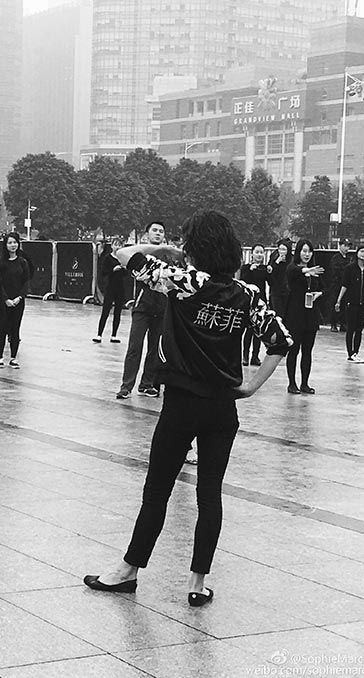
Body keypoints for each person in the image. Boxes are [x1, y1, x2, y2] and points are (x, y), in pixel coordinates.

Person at [83, 210, 292, 606]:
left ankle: (127, 571)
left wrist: (165, 247)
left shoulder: (184, 282)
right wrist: (248, 387)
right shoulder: (246, 294)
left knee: (157, 491)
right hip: (222, 410)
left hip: (181, 405)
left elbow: (124, 253)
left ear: (194, 248)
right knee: (209, 494)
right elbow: (281, 340)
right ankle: (197, 584)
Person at [116, 221, 166, 399]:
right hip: (142, 307)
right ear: (147, 234)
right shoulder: (138, 256)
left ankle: (147, 384)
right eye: (154, 230)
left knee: (155, 348)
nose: (158, 234)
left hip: (162, 309)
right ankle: (126, 386)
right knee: (135, 347)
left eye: (161, 231)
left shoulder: (169, 258)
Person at [284, 238, 324, 394]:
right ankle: (291, 383)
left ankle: (305, 383)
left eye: (309, 251)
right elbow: (292, 272)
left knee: (307, 351)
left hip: (311, 315)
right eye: (304, 251)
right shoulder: (293, 268)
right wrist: (305, 271)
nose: (307, 254)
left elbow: (324, 288)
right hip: (295, 315)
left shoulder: (315, 270)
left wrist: (318, 294)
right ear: (298, 252)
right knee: (293, 350)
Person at [335, 245, 364, 363]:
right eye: (361, 251)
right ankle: (350, 353)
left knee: (359, 329)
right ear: (357, 253)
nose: (363, 254)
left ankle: (356, 352)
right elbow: (344, 285)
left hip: (363, 303)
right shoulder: (350, 268)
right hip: (352, 302)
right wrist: (339, 300)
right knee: (350, 328)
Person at [0, 232, 30, 369]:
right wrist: (5, 299)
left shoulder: (23, 262)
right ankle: (0, 357)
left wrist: (19, 297)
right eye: (10, 243)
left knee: (15, 328)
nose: (13, 245)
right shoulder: (2, 263)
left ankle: (13, 358)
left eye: (15, 242)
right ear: (5, 245)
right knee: (2, 328)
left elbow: (26, 282)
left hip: (18, 301)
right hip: (3, 301)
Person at [93, 236, 127, 343]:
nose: (117, 247)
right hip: (110, 287)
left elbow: (127, 274)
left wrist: (124, 268)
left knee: (118, 312)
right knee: (106, 310)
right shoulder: (108, 258)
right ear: (112, 246)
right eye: (115, 244)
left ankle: (114, 335)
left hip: (120, 288)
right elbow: (103, 272)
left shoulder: (124, 259)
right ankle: (99, 334)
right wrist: (113, 269)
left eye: (119, 245)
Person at [240, 243, 269, 366]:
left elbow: (272, 282)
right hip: (249, 301)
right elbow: (242, 281)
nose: (259, 254)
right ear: (252, 254)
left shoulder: (265, 268)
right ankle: (245, 355)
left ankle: (255, 356)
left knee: (259, 330)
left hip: (261, 302)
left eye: (261, 252)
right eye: (257, 252)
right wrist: (250, 270)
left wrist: (271, 271)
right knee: (249, 330)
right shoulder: (246, 268)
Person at [329, 237, 351, 332]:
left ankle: (343, 323)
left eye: (348, 246)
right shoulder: (335, 258)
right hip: (337, 285)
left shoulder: (350, 259)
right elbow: (335, 271)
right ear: (340, 246)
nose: (346, 248)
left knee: (344, 304)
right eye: (344, 245)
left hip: (346, 285)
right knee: (335, 304)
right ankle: (333, 324)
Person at [266, 238, 292, 318]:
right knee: (277, 313)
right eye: (280, 249)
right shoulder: (274, 257)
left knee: (287, 313)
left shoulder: (291, 260)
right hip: (275, 290)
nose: (281, 252)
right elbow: (270, 272)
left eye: (284, 249)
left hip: (287, 290)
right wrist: (277, 262)